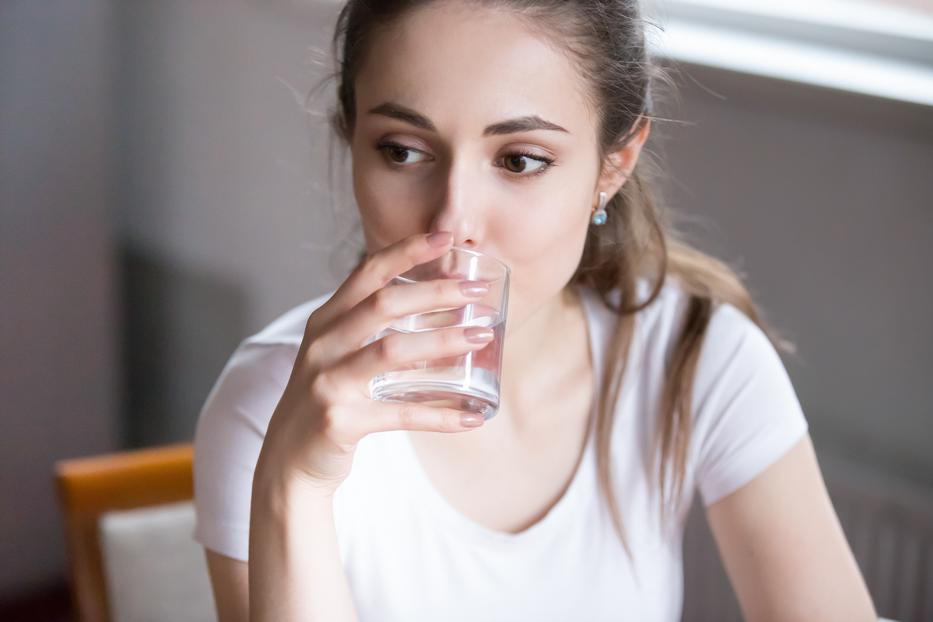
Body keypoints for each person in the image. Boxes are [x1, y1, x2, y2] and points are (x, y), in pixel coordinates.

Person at [192, 1, 878, 620]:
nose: (454, 222)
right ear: (352, 141)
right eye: (401, 151)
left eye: (519, 160)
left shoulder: (693, 354)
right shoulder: (271, 403)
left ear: (613, 165)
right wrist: (295, 483)